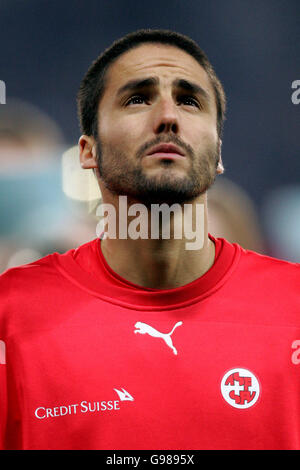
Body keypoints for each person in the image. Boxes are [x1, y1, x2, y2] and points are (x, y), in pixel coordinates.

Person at [0, 29, 299, 451]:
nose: (168, 116)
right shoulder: (10, 313)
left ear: (217, 154)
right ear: (88, 150)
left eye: (190, 101)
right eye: (137, 98)